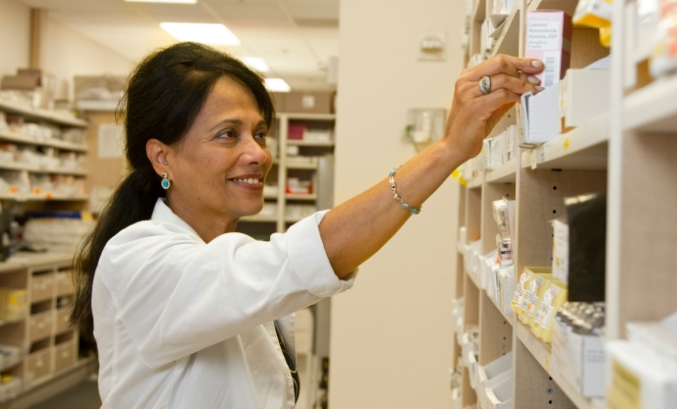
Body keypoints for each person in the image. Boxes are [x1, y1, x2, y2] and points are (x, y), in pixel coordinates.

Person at [71, 42, 543, 409]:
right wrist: (447, 151)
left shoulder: (226, 251)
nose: (257, 153)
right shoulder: (137, 259)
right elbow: (306, 257)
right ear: (162, 156)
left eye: (258, 133)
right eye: (227, 135)